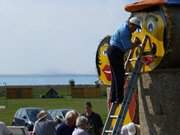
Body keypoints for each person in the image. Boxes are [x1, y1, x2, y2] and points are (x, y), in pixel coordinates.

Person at [107, 16, 141, 104]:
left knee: (115, 76)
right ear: (131, 24)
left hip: (113, 51)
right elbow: (128, 47)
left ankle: (113, 98)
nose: (135, 30)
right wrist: (136, 43)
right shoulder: (125, 32)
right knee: (120, 76)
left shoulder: (124, 27)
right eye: (135, 27)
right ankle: (119, 99)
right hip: (116, 52)